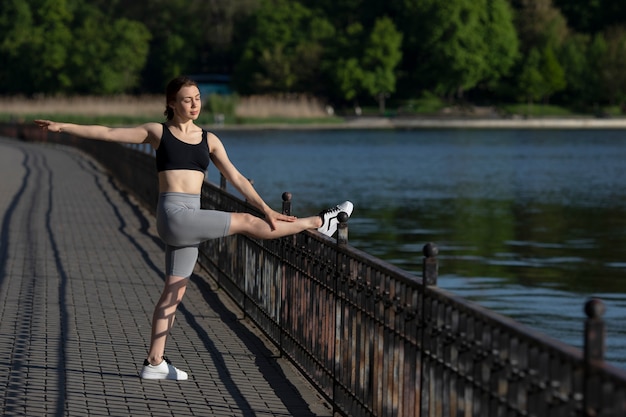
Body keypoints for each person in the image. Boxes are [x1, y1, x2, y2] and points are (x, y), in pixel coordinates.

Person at [34, 75, 353, 381]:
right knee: (243, 222)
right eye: (187, 100)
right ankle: (319, 222)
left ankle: (154, 362)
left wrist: (267, 208)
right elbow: (107, 132)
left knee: (174, 291)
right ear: (172, 103)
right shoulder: (157, 132)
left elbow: (239, 179)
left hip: (190, 218)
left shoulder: (209, 139)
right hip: (174, 215)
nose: (194, 104)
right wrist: (63, 126)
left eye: (198, 98)